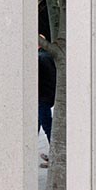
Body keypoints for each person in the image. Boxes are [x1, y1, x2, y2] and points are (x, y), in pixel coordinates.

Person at [38, 35, 56, 168]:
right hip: (47, 96)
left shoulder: (39, 58)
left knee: (47, 125)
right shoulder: (48, 56)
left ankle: (56, 157)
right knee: (39, 125)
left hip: (41, 97)